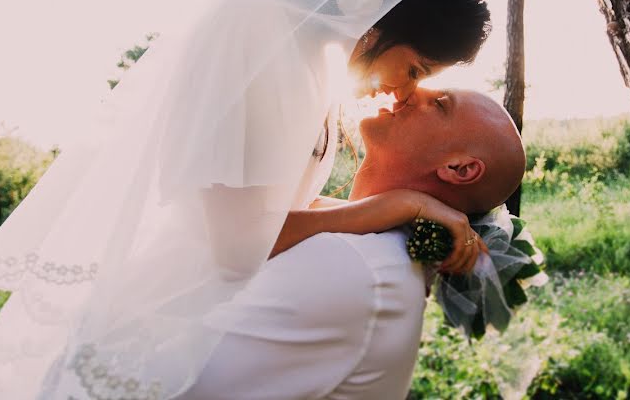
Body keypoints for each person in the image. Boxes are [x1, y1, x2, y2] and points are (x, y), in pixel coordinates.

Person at [0, 0, 494, 399]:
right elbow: (240, 247)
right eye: (419, 69)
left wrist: (416, 212)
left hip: (226, 316)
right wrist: (397, 206)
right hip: (174, 322)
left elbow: (277, 207)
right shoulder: (256, 31)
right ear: (388, 19)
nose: (405, 91)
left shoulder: (309, 58)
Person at [174, 87, 526, 399]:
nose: (410, 90)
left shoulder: (357, 267)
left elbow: (183, 386)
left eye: (439, 104)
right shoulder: (368, 243)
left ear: (460, 168)